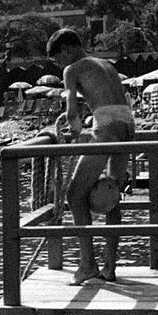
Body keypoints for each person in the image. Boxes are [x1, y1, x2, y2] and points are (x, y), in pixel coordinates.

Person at [46, 27, 136, 284]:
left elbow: (73, 113)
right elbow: (108, 98)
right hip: (128, 125)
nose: (60, 64)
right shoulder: (106, 63)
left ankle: (87, 264)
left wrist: (73, 132)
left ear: (66, 50)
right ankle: (110, 267)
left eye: (58, 59)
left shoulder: (71, 69)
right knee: (111, 194)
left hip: (106, 126)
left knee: (74, 194)